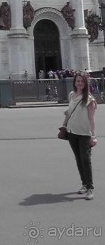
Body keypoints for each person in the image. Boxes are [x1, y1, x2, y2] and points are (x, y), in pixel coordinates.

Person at [61, 72, 97, 200]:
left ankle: (90, 188)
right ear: (74, 82)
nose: (80, 83)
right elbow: (69, 112)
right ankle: (84, 184)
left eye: (82, 81)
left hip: (84, 134)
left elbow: (92, 119)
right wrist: (64, 125)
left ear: (85, 83)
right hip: (72, 132)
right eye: (78, 81)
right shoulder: (71, 95)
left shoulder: (89, 99)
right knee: (78, 159)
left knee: (86, 160)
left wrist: (93, 136)